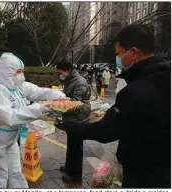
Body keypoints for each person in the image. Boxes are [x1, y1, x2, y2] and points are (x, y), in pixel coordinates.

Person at [56, 24, 171, 188]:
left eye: (118, 54)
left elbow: (106, 130)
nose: (118, 58)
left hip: (143, 173)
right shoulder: (166, 78)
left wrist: (70, 127)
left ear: (133, 52)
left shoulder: (134, 91)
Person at [0, 53, 66, 188]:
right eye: (18, 72)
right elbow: (10, 117)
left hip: (11, 138)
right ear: (7, 72)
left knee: (15, 171)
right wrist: (39, 108)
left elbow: (37, 91)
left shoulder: (18, 86)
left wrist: (57, 95)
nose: (21, 75)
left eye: (22, 71)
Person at [56, 60, 91, 183]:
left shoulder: (80, 82)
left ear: (68, 71)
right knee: (71, 144)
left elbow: (74, 102)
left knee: (76, 147)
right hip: (71, 117)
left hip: (79, 117)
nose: (60, 75)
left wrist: (57, 102)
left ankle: (75, 176)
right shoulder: (70, 80)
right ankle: (69, 167)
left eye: (61, 73)